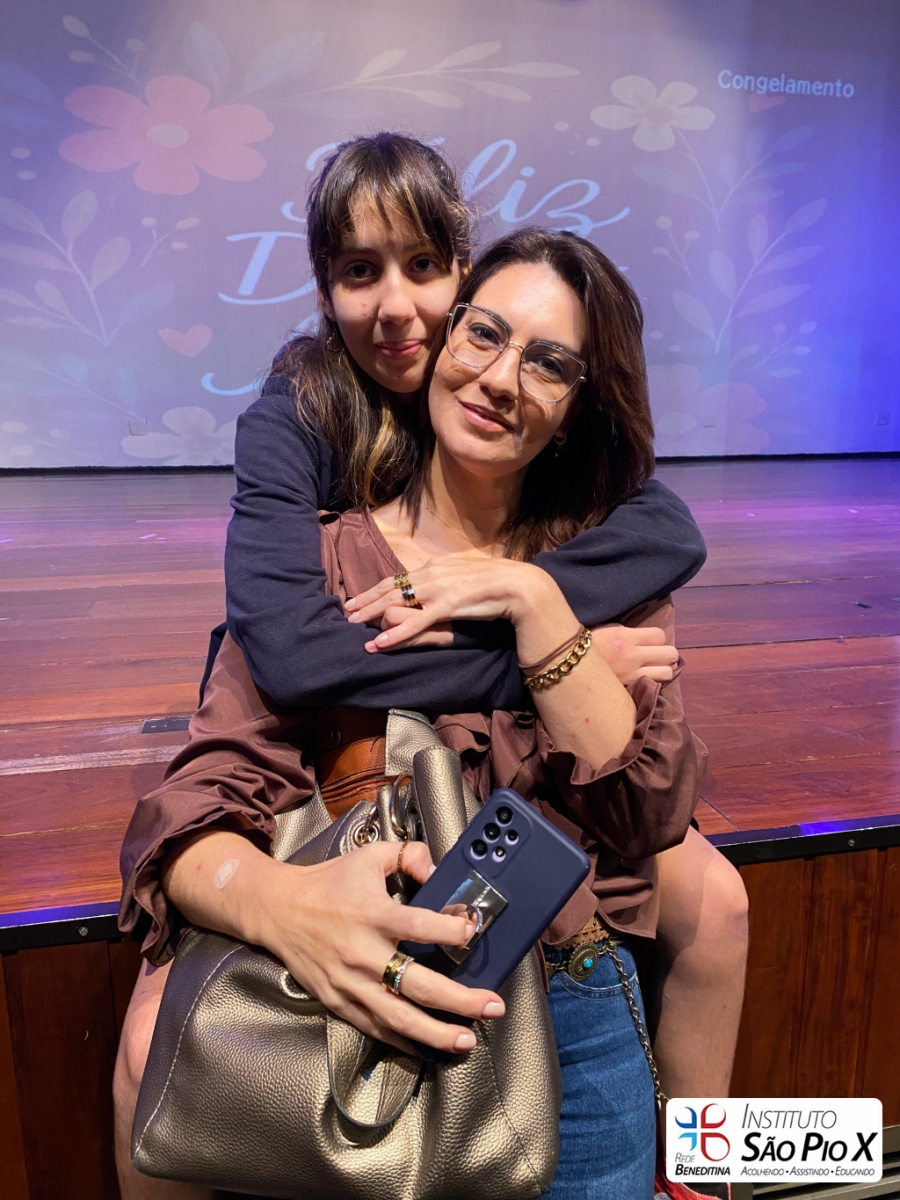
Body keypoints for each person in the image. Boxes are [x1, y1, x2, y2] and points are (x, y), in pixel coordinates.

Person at [117, 226, 707, 1199]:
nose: (502, 378)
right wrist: (284, 907)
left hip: (571, 1006)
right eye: (485, 335)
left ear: (575, 408)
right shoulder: (327, 562)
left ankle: (708, 1177)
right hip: (359, 1011)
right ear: (442, 341)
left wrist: (533, 601)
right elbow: (200, 802)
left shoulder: (604, 571)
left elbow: (645, 814)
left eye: (549, 364)